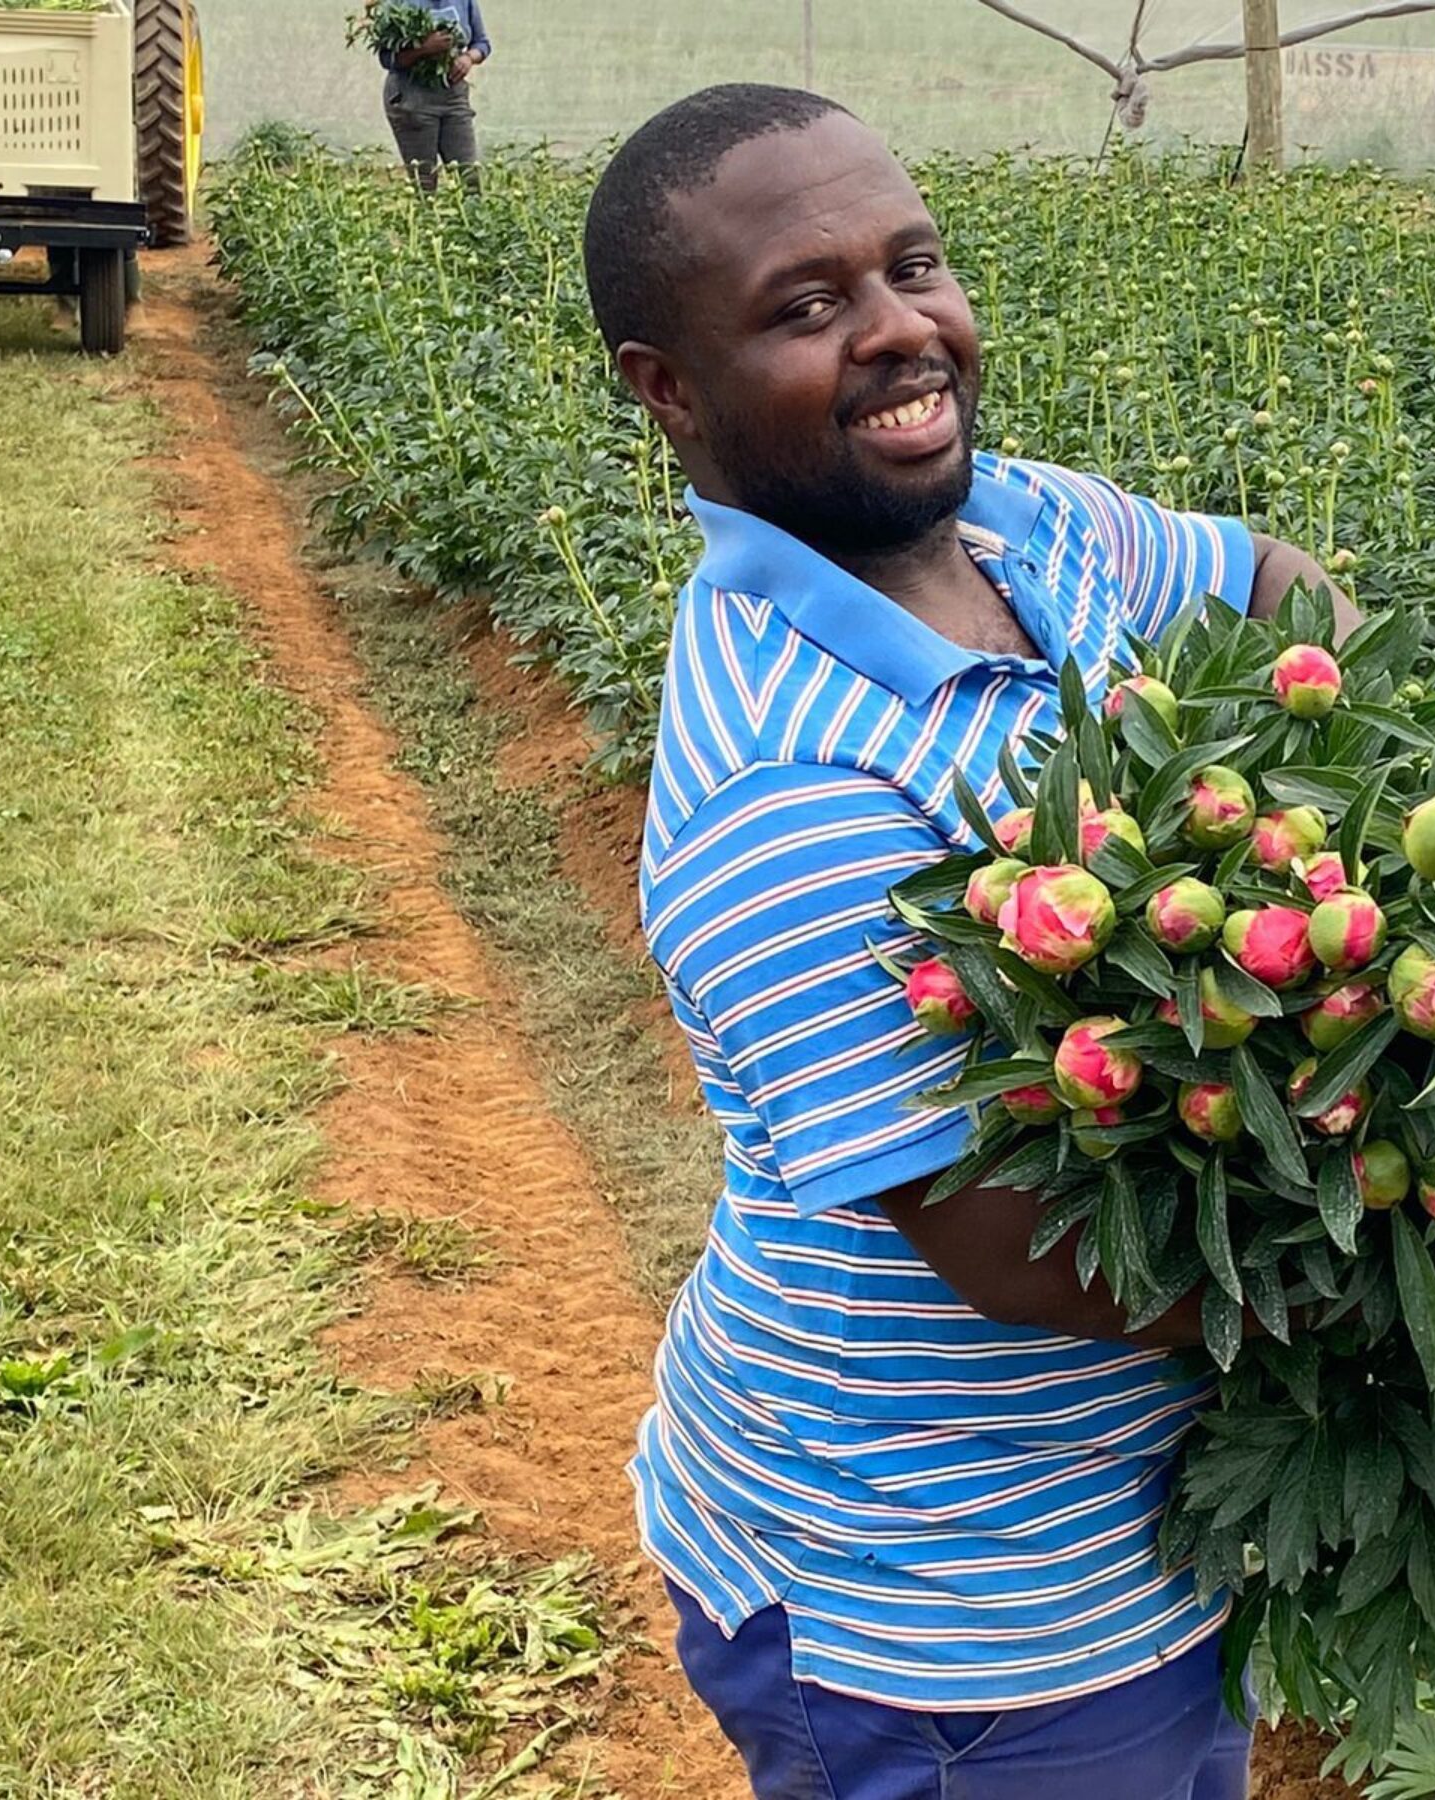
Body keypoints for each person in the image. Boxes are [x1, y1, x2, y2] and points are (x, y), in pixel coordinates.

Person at [581, 84, 1359, 1800]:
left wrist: (1390, 837)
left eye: (913, 265)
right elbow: (1018, 1247)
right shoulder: (786, 795)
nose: (901, 331)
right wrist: (1430, 1258)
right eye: (809, 305)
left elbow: (1279, 591)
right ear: (669, 387)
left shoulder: (1024, 525)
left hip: (1119, 1510)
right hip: (952, 1608)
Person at [379, 1, 491, 194]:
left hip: (453, 97)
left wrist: (468, 58)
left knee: (469, 181)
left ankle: (471, 221)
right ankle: (425, 222)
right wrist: (423, 49)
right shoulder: (397, 4)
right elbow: (387, 58)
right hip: (411, 101)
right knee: (425, 185)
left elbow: (482, 44)